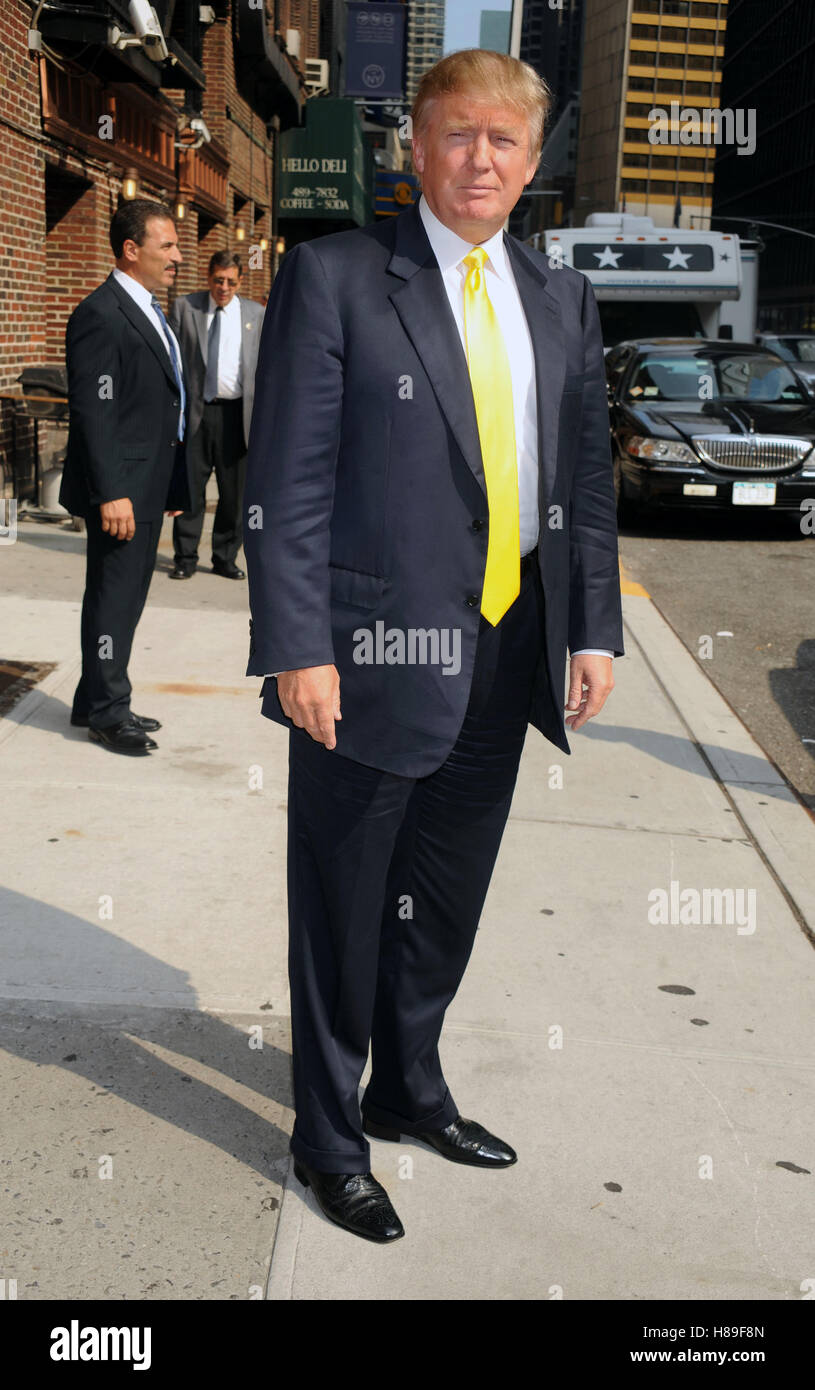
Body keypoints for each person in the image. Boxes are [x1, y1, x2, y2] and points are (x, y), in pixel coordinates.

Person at [243, 49, 624, 1243]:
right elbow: (287, 480)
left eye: (503, 142)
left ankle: (409, 1087)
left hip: (507, 650)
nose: (479, 160)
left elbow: (584, 480)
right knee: (343, 910)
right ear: (415, 148)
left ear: (529, 162)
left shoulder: (556, 295)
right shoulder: (338, 277)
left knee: (441, 906)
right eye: (456, 135)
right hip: (364, 659)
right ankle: (328, 1138)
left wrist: (593, 626)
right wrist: (295, 643)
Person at [61, 199, 191, 756]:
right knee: (115, 598)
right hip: (120, 489)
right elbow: (95, 411)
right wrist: (111, 490)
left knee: (124, 595)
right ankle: (109, 715)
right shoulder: (102, 313)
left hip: (146, 483)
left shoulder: (147, 307)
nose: (178, 257)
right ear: (131, 250)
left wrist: (171, 485)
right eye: (168, 246)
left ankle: (96, 698)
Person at [167, 251, 263, 580]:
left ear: (240, 281)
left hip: (238, 416)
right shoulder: (185, 307)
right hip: (196, 412)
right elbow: (173, 360)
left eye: (231, 282)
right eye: (218, 280)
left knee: (233, 495)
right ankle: (185, 557)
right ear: (209, 278)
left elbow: (264, 367)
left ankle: (225, 557)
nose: (224, 287)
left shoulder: (255, 314)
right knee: (190, 488)